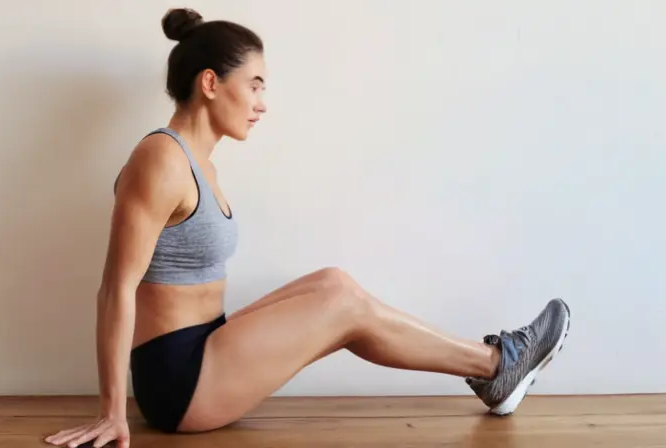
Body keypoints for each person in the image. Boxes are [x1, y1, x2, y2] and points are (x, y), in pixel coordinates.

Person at [44, 8, 571, 448]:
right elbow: (116, 289)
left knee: (334, 284)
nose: (262, 103)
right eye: (254, 85)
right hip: (179, 381)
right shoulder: (160, 159)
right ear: (210, 83)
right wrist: (113, 411)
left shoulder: (201, 164)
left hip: (206, 346)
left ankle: (493, 371)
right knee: (341, 305)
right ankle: (497, 364)